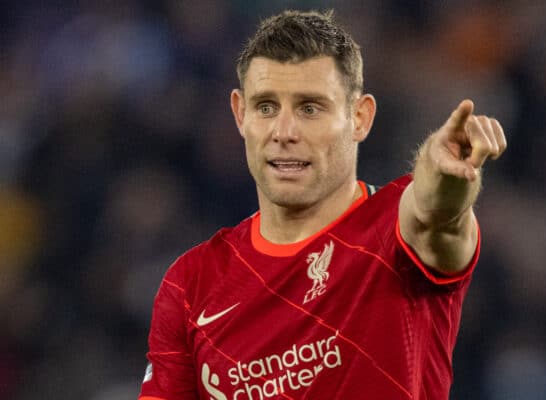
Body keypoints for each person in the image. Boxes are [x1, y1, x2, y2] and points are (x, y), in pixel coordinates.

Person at [138, 9, 506, 400]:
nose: (284, 132)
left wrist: (443, 168)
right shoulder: (192, 283)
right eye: (265, 107)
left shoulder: (395, 233)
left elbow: (435, 210)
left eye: (309, 108)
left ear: (360, 118)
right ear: (240, 114)